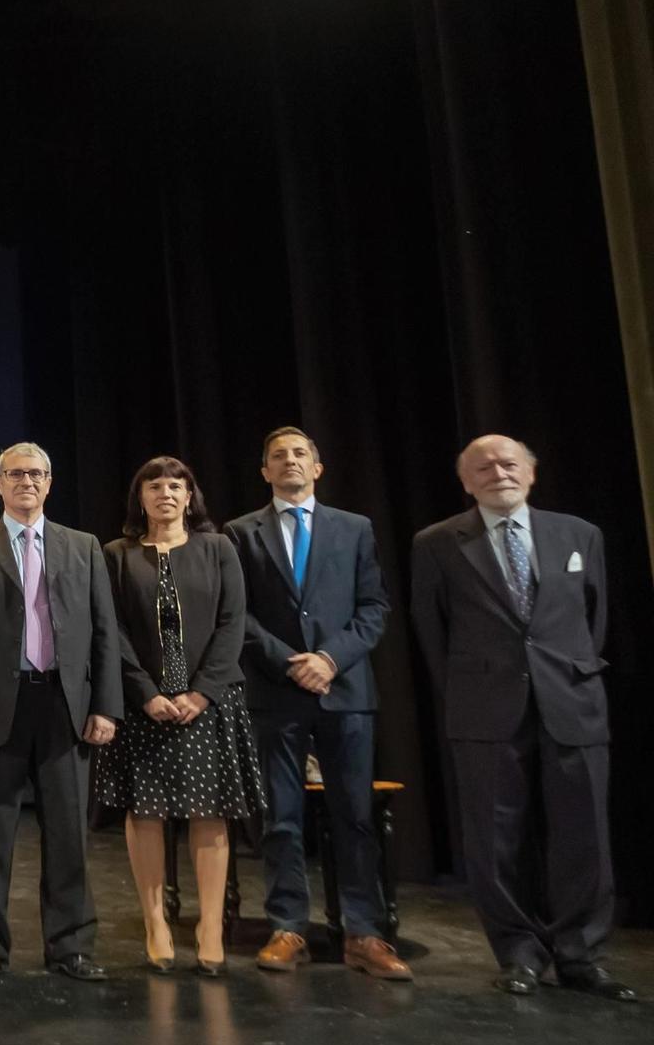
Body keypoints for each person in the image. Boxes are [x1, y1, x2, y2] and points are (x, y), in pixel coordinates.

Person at [410, 435, 635, 1001]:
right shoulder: (437, 543)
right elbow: (431, 631)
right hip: (484, 708)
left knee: (585, 835)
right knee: (495, 840)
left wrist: (567, 669)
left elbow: (594, 614)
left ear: (531, 474)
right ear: (466, 482)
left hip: (572, 700)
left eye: (509, 464)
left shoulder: (579, 534)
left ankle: (582, 955)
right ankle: (519, 954)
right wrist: (474, 686)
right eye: (482, 467)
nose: (497, 473)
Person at [226, 427, 410, 980]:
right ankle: (288, 928)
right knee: (281, 819)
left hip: (345, 690)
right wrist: (292, 661)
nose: (289, 461)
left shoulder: (354, 529)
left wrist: (328, 659)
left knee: (353, 817)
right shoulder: (241, 533)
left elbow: (374, 607)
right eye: (277, 456)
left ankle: (363, 933)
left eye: (299, 453)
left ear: (318, 466)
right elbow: (240, 616)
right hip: (276, 693)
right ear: (264, 472)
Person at [0, 443, 120, 982]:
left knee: (69, 833)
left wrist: (106, 706)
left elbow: (105, 634)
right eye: (16, 473)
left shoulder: (83, 546)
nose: (27, 481)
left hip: (66, 707)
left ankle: (71, 946)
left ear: (50, 482)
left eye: (37, 473)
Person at [94, 457, 264, 976]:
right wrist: (144, 691)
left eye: (176, 486)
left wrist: (204, 692)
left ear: (190, 497)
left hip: (207, 704)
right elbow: (112, 631)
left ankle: (210, 927)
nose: (165, 494)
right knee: (145, 813)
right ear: (138, 498)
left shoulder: (219, 549)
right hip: (143, 704)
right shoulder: (116, 555)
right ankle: (156, 925)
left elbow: (234, 623)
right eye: (154, 486)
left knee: (210, 815)